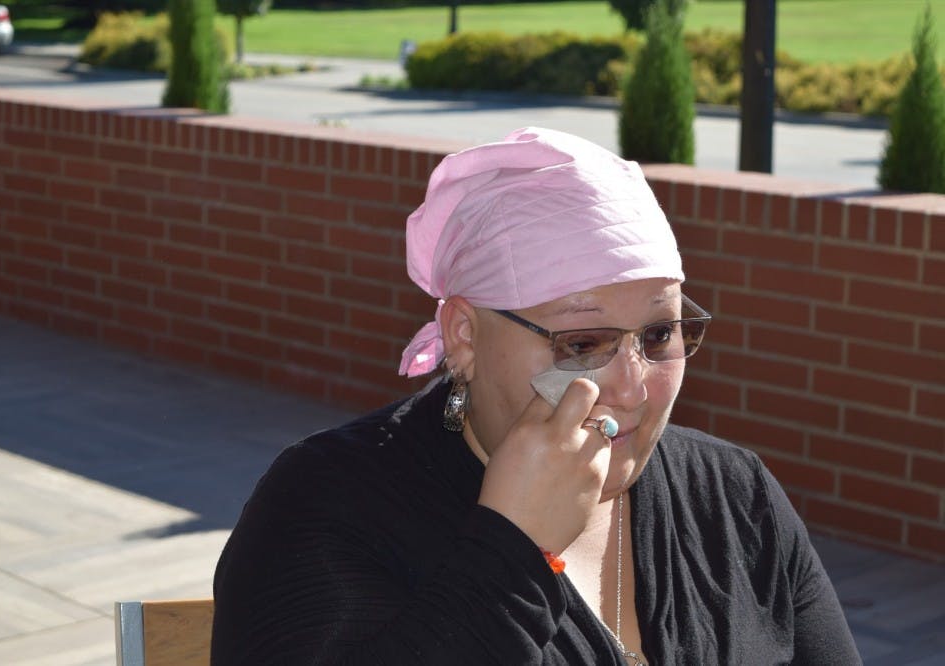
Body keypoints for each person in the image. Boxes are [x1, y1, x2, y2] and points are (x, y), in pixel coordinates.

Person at [211, 127, 861, 665]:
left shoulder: (733, 497)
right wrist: (515, 550)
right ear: (464, 335)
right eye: (583, 343)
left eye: (659, 333)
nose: (633, 388)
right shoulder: (328, 507)